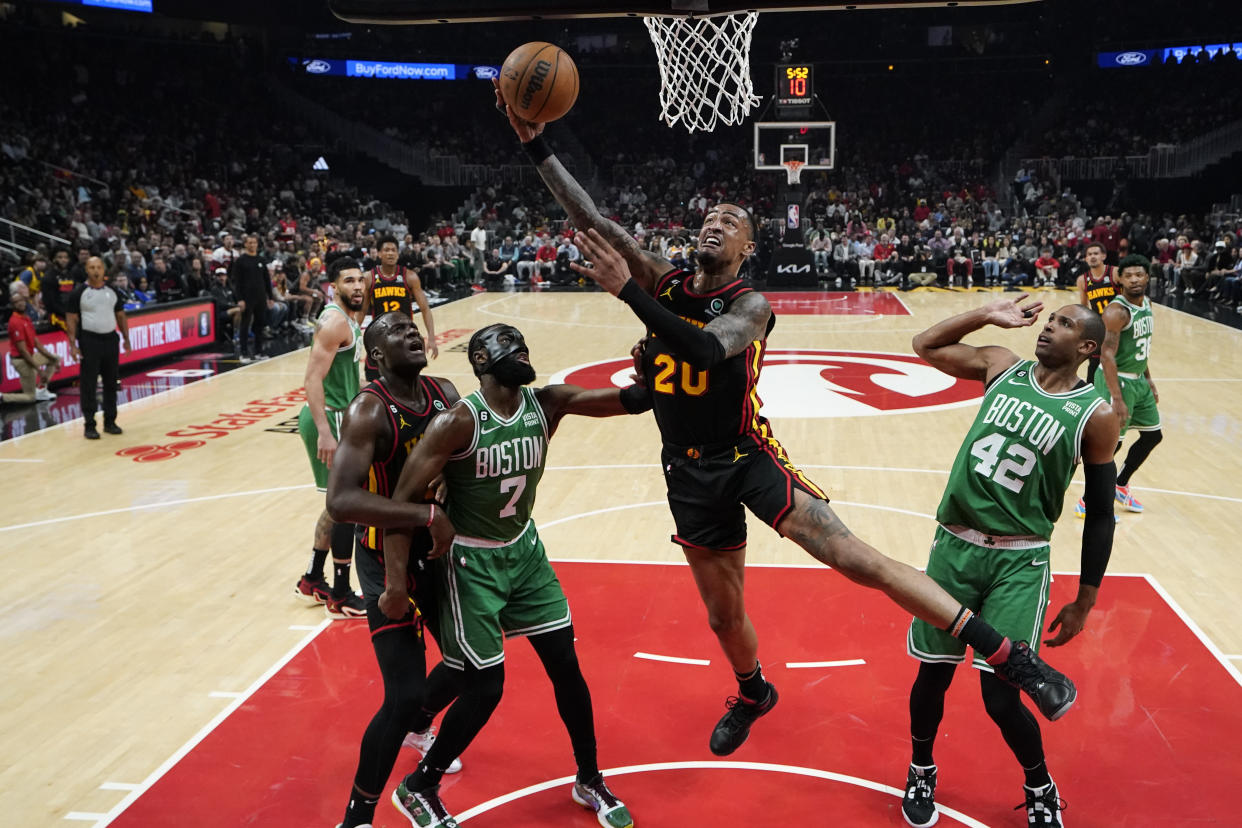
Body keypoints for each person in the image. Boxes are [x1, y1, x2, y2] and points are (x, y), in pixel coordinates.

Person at [497, 89, 1077, 763]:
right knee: (722, 615)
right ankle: (752, 692)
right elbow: (590, 216)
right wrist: (534, 143)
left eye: (732, 219)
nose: (716, 222)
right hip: (685, 471)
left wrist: (625, 293)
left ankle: (1011, 655)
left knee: (855, 557)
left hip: (746, 455)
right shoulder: (664, 282)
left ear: (750, 244)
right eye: (710, 214)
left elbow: (707, 349)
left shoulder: (750, 304)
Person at [379, 323, 647, 828]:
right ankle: (420, 785)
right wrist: (395, 585)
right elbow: (401, 503)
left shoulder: (546, 403)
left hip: (524, 552)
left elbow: (630, 400)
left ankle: (588, 778)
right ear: (481, 360)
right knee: (485, 682)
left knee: (566, 666)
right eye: (508, 343)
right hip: (469, 562)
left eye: (523, 343)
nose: (522, 351)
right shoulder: (457, 422)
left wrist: (662, 371)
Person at [900, 296, 1119, 828]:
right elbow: (924, 344)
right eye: (1049, 320)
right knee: (932, 678)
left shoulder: (1096, 414)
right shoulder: (1002, 366)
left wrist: (1086, 599)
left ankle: (1040, 785)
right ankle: (921, 767)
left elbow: (1102, 514)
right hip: (955, 548)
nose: (1048, 328)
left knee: (1001, 696)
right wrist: (986, 314)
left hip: (1019, 562)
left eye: (1064, 324)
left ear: (1087, 346)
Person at [325, 312, 464, 828]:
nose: (412, 332)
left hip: (440, 550)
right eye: (397, 331)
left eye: (414, 326)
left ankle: (421, 723)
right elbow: (340, 500)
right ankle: (358, 815)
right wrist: (425, 512)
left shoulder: (446, 393)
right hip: (385, 558)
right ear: (376, 356)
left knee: (475, 660)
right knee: (402, 695)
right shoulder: (367, 410)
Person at [293, 257, 369, 619]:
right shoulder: (336, 321)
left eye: (360, 280)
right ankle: (340, 594)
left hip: (339, 416)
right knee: (345, 507)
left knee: (334, 505)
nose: (357, 286)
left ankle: (312, 577)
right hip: (330, 420)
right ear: (334, 286)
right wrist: (325, 431)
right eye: (349, 280)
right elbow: (312, 379)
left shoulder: (343, 317)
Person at [1076, 254, 1162, 517]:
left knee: (1152, 435)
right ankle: (1088, 501)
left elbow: (1141, 345)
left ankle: (1120, 484)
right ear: (1120, 280)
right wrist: (1117, 397)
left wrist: (1148, 379)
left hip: (1138, 380)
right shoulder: (1117, 311)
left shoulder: (1146, 303)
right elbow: (1107, 354)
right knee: (1111, 445)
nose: (1135, 279)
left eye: (1139, 274)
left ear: (1147, 277)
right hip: (1117, 379)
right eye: (1129, 275)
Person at [66, 256, 130, 439]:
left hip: (110, 340)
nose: (95, 271)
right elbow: (71, 319)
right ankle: (89, 424)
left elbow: (120, 315)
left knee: (111, 382)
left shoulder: (112, 291)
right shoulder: (79, 292)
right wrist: (73, 345)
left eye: (99, 267)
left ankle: (110, 421)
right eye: (92, 267)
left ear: (104, 269)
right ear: (87, 270)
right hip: (89, 340)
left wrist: (126, 338)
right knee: (89, 384)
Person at [361, 235, 438, 381]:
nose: (390, 253)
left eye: (393, 250)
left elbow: (425, 309)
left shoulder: (409, 276)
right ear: (378, 253)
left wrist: (432, 338)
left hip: (403, 339)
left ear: (398, 253)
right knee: (375, 385)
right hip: (379, 338)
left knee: (407, 385)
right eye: (386, 250)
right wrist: (353, 338)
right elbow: (362, 311)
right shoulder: (369, 278)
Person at [1, 290, 61, 405]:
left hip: (30, 357)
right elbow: (23, 351)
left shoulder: (26, 318)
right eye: (16, 302)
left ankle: (42, 390)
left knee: (55, 358)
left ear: (25, 301)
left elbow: (37, 344)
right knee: (30, 397)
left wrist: (53, 358)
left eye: (21, 300)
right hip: (22, 361)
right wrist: (39, 371)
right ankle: (3, 397)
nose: (20, 303)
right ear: (12, 305)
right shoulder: (15, 322)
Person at [1076, 241, 1116, 384]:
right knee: (1093, 366)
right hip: (1099, 329)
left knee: (1120, 365)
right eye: (1089, 254)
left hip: (1118, 329)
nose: (1093, 257)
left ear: (1103, 256)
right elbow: (1084, 307)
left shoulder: (1115, 273)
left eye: (1096, 253)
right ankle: (1091, 399)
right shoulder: (1082, 280)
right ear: (1085, 258)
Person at [232, 234, 273, 362]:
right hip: (247, 297)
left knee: (259, 324)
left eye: (254, 242)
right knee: (245, 323)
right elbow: (236, 282)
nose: (252, 245)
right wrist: (240, 299)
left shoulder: (261, 260)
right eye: (249, 243)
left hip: (260, 296)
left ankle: (258, 352)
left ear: (257, 244)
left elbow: (267, 279)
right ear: (245, 244)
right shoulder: (240, 261)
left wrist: (270, 296)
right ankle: (243, 353)